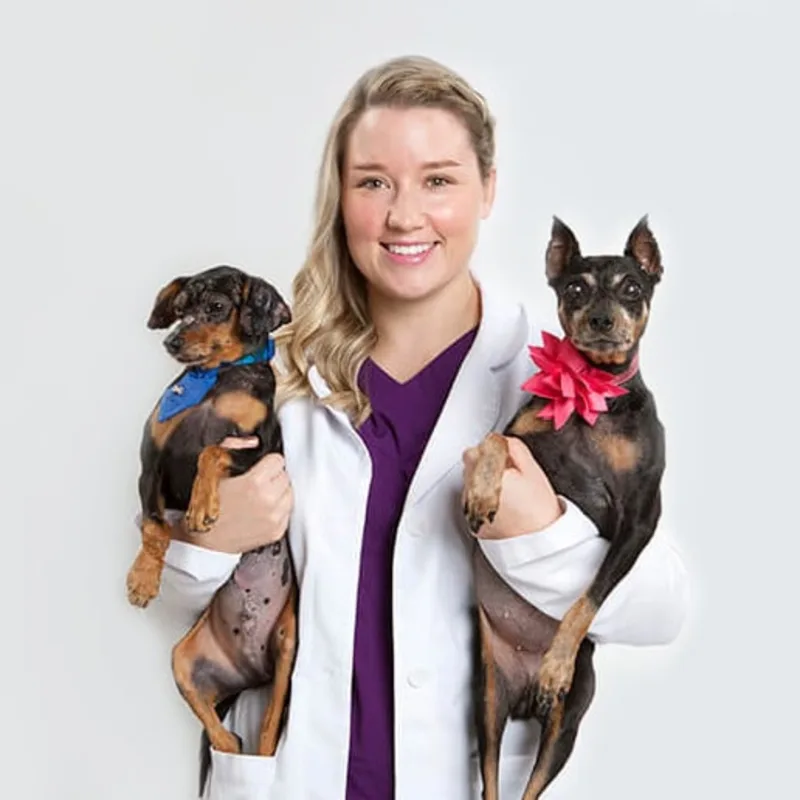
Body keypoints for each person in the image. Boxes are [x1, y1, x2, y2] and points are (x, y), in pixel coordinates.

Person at [156, 55, 689, 800]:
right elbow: (182, 600)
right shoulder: (271, 376)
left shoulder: (555, 384)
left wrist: (539, 532)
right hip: (297, 776)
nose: (405, 215)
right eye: (373, 182)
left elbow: (662, 608)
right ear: (340, 197)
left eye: (438, 180)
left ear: (488, 190)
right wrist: (211, 536)